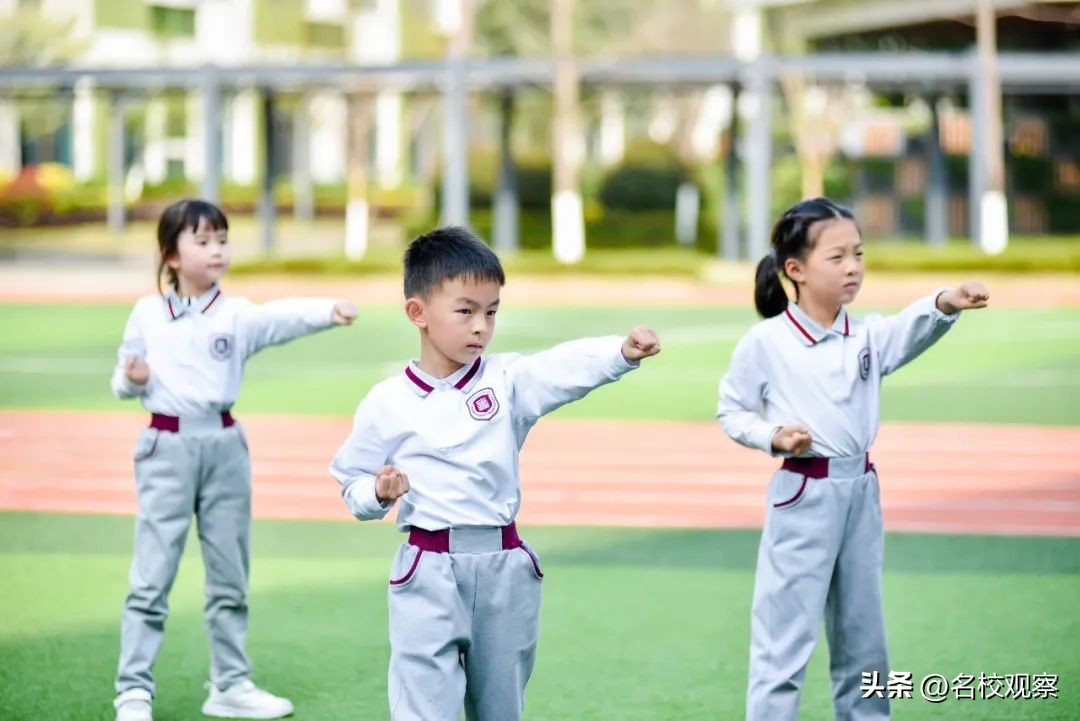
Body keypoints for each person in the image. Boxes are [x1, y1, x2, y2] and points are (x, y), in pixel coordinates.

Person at [329, 226, 661, 721]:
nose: (481, 326)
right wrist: (376, 492)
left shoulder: (508, 382)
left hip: (505, 567)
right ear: (418, 313)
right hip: (428, 567)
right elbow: (349, 480)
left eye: (491, 311)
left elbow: (560, 368)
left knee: (500, 707)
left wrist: (619, 353)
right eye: (465, 311)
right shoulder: (386, 402)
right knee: (423, 708)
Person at [717, 197, 989, 721]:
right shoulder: (766, 342)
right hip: (804, 493)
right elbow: (731, 411)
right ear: (794, 269)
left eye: (858, 255)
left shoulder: (866, 334)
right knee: (784, 638)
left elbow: (915, 325)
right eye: (837, 257)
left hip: (861, 491)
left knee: (863, 634)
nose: (853, 268)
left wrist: (948, 300)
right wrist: (774, 436)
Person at [110, 198, 357, 721]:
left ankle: (230, 684)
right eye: (202, 241)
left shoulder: (237, 315)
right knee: (152, 575)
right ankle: (133, 691)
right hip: (166, 446)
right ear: (171, 255)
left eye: (222, 239)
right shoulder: (148, 313)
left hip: (224, 446)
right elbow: (121, 379)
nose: (216, 250)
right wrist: (133, 380)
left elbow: (279, 318)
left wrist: (327, 312)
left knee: (229, 574)